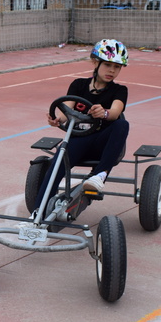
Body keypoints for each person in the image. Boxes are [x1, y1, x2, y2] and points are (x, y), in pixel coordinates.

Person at [33, 38, 130, 215]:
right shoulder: (78, 85)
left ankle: (99, 176)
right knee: (55, 167)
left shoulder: (119, 90)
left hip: (103, 145)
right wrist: (57, 120)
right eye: (108, 65)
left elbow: (116, 112)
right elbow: (66, 109)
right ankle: (38, 213)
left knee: (122, 124)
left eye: (117, 67)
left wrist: (104, 113)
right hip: (79, 139)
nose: (112, 71)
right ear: (95, 62)